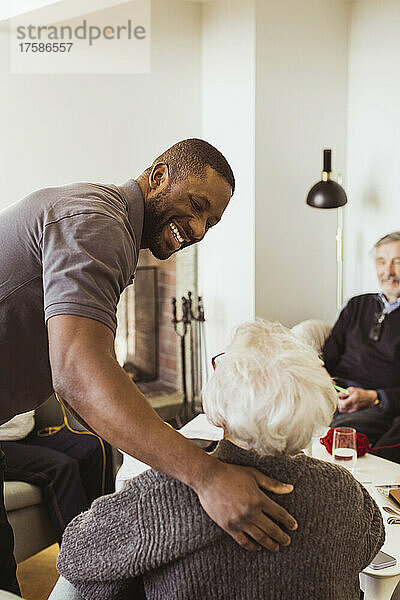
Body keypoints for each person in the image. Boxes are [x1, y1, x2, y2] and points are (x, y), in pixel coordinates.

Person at [0, 138, 296, 594]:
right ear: (159, 176)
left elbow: (82, 380)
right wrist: (206, 474)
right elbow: (78, 375)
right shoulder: (99, 221)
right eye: (196, 206)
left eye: (211, 223)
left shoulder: (105, 221)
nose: (197, 229)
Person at [50, 320, 384, 600]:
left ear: (221, 408)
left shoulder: (163, 493)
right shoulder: (345, 490)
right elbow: (371, 541)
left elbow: (77, 555)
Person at [322, 231, 400, 464]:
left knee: (341, 433)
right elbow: (326, 356)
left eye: (397, 262)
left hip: (380, 403)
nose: (388, 272)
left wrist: (374, 397)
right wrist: (326, 384)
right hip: (336, 393)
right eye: (381, 262)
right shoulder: (357, 305)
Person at [0, 408, 114, 543]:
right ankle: (78, 554)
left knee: (96, 447)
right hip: (3, 445)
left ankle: (106, 538)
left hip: (25, 434)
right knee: (62, 467)